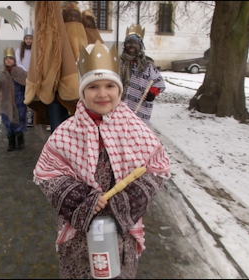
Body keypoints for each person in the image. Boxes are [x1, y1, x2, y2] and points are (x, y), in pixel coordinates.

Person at [33, 40, 171, 278]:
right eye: (93, 87)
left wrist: (127, 201)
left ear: (119, 90)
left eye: (109, 85)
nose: (103, 93)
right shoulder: (67, 132)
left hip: (120, 234)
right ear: (83, 92)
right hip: (80, 236)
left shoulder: (134, 128)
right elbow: (47, 173)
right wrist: (83, 199)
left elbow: (157, 167)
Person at [24, 1, 87, 134]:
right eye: (70, 18)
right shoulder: (56, 35)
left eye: (76, 18)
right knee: (59, 134)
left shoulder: (81, 35)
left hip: (81, 96)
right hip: (56, 95)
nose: (73, 22)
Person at [120, 24, 166, 124]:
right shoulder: (119, 62)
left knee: (137, 133)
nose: (131, 45)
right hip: (120, 105)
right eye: (129, 42)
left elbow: (158, 81)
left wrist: (152, 93)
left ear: (140, 46)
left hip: (140, 107)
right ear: (124, 45)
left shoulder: (148, 64)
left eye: (135, 43)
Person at [0, 47, 27, 151]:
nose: (8, 60)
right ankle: (11, 142)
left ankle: (20, 140)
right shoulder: (1, 74)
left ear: (14, 60)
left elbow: (27, 84)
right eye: (6, 59)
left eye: (11, 58)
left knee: (18, 120)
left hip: (19, 102)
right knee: (8, 121)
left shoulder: (20, 71)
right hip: (5, 102)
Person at [15, 27, 35, 127]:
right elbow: (18, 62)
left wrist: (31, 71)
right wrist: (24, 70)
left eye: (30, 38)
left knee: (31, 95)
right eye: (26, 38)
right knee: (23, 95)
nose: (28, 41)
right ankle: (22, 115)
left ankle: (30, 114)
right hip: (22, 75)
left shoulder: (35, 50)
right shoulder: (19, 50)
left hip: (32, 75)